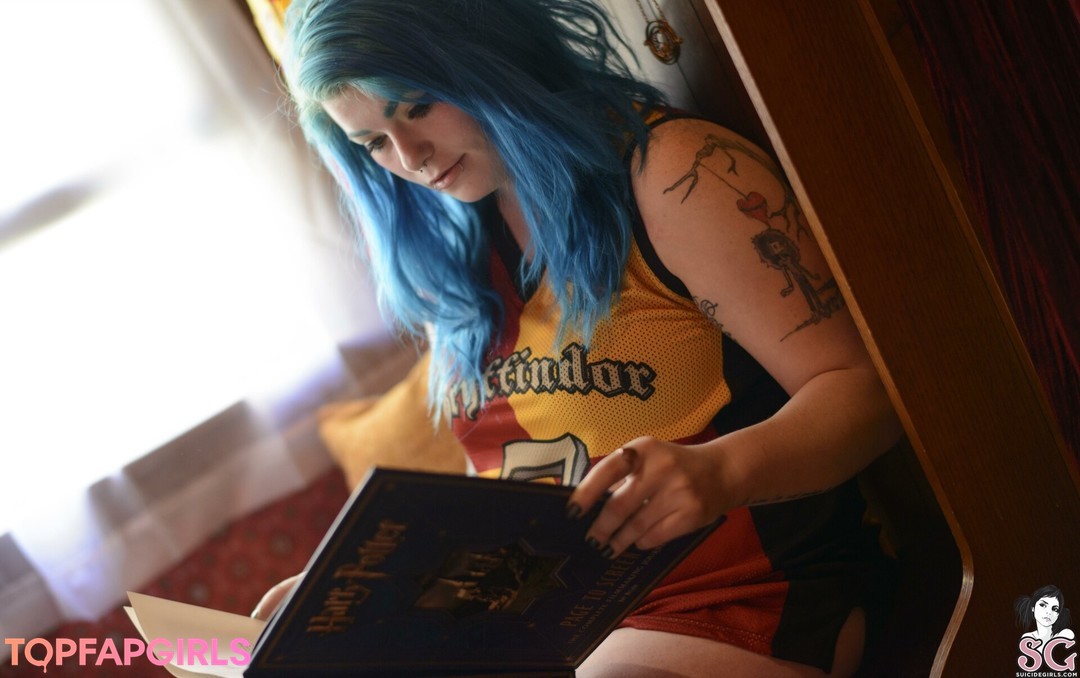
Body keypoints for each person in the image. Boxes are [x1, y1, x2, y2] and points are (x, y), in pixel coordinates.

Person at [255, 0, 904, 675]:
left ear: (486, 52)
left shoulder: (672, 174)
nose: (410, 157)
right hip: (564, 621)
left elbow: (869, 394)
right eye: (373, 144)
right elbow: (514, 492)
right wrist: (377, 591)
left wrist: (721, 472)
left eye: (418, 106)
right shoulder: (459, 247)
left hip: (745, 595)